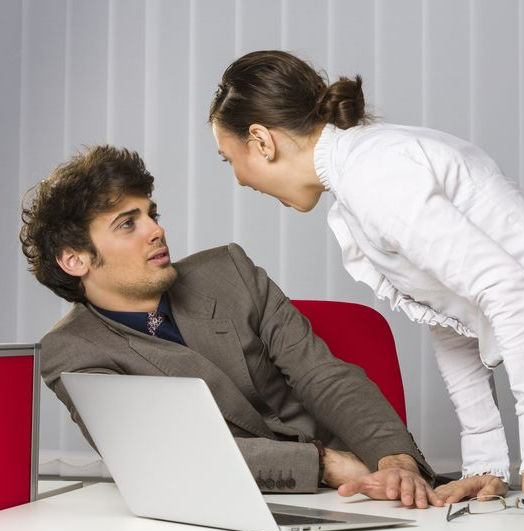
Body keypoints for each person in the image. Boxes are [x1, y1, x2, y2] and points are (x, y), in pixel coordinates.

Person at [209, 50, 524, 520]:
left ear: (260, 140)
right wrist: (486, 460)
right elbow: (453, 319)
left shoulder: (374, 175)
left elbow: (508, 291)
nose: (237, 179)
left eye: (227, 158)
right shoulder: (358, 184)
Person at [20, 145, 443, 509]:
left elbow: (323, 374)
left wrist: (394, 459)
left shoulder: (229, 271)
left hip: (359, 489)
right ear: (75, 259)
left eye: (152, 213)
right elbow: (161, 455)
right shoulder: (71, 351)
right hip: (229, 507)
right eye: (128, 223)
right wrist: (324, 464)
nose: (156, 229)